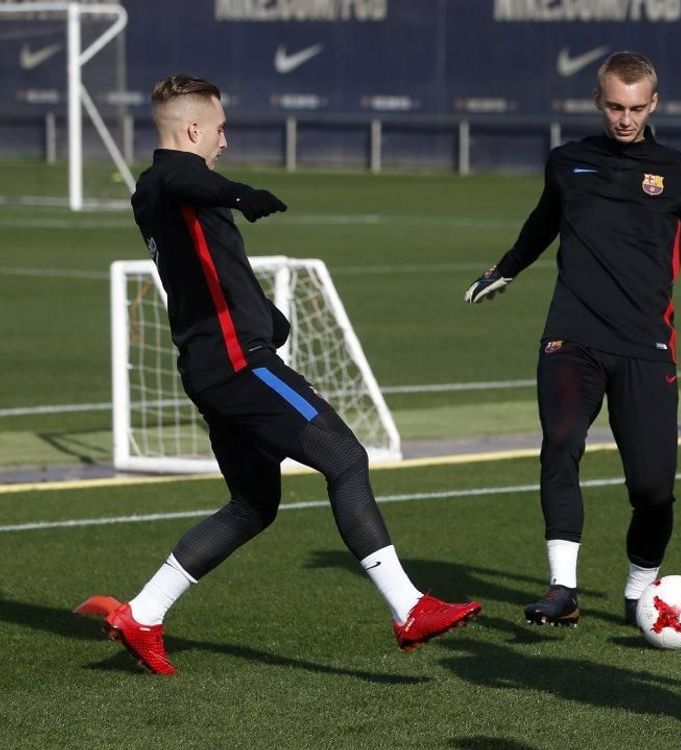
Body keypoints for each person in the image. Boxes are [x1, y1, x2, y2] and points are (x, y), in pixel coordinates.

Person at [84, 74, 480, 675]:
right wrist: (239, 192)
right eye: (219, 129)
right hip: (240, 366)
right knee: (345, 459)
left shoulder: (170, 194)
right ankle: (409, 607)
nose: (224, 140)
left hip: (216, 365)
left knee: (252, 504)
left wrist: (264, 315)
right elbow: (185, 175)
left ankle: (143, 613)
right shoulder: (172, 180)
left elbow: (209, 262)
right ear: (193, 130)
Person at [463, 52, 681, 627]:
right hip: (572, 337)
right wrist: (505, 269)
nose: (626, 118)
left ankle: (639, 588)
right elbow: (541, 224)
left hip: (647, 346)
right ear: (599, 102)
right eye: (616, 107)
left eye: (637, 108)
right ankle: (562, 587)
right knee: (562, 440)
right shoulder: (567, 162)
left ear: (654, 105)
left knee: (653, 491)